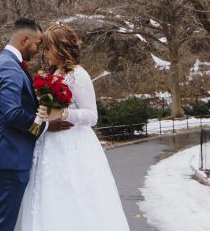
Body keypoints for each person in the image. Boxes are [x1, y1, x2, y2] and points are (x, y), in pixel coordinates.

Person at [21, 23, 130, 230]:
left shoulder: (79, 75)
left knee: (75, 196)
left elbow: (92, 116)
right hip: (50, 145)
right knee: (50, 195)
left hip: (73, 145)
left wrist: (63, 113)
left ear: (60, 47)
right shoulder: (53, 74)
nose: (45, 53)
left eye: (48, 48)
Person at [0, 18, 72, 231]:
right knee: (3, 222)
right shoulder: (9, 66)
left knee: (4, 218)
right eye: (37, 43)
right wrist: (43, 126)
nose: (38, 50)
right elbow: (12, 113)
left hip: (10, 153)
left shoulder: (7, 63)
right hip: (10, 154)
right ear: (24, 40)